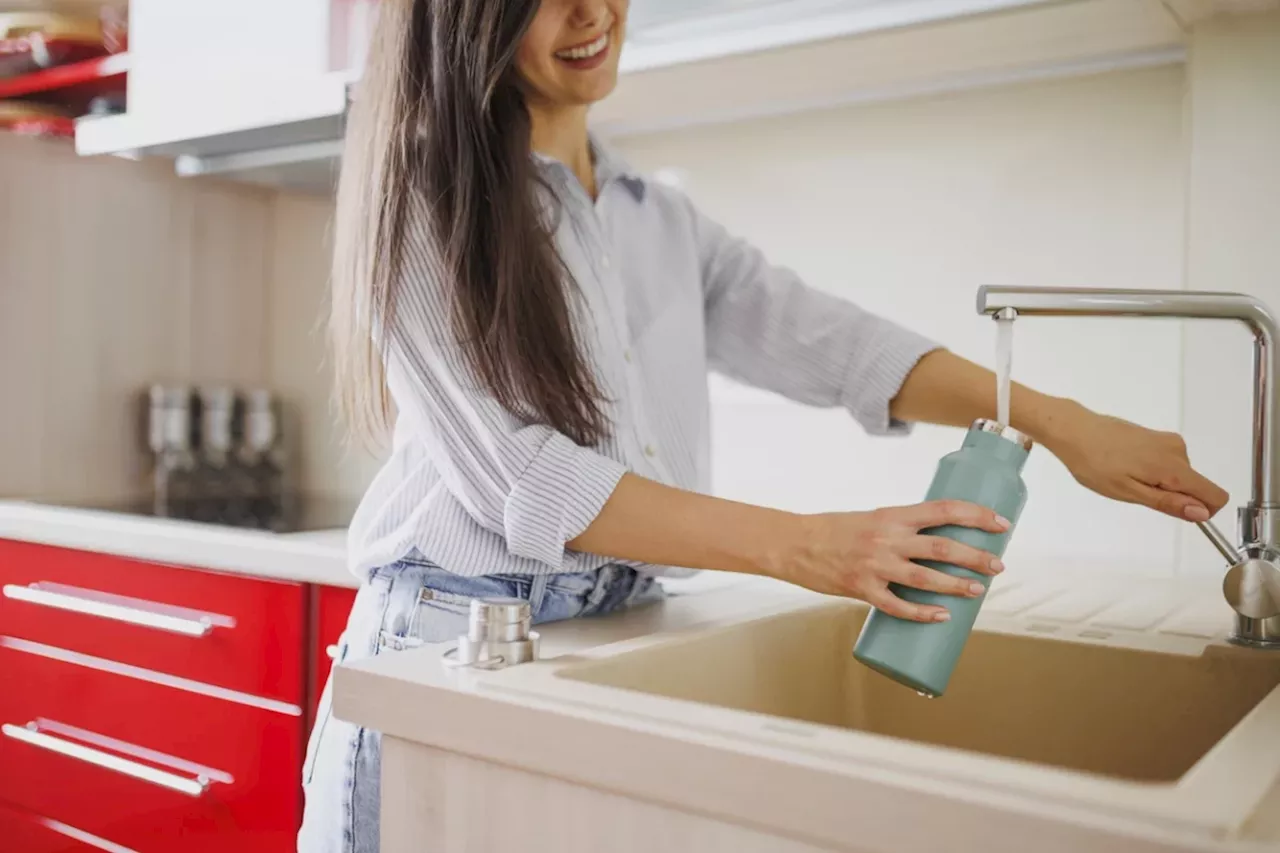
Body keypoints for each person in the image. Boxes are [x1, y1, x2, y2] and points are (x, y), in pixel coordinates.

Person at [298, 0, 1229, 849]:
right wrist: (811, 548)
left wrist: (1064, 423)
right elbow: (526, 476)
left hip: (609, 626)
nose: (593, 14)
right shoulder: (423, 196)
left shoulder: (655, 216)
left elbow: (833, 344)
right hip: (447, 635)